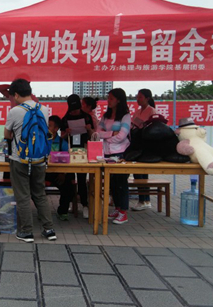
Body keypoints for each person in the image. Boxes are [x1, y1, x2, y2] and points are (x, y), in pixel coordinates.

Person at [4, 78, 56, 242]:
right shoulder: (44, 109)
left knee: (23, 196)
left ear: (16, 95)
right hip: (40, 159)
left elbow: (7, 135)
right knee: (39, 194)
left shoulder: (15, 111)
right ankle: (49, 230)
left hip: (19, 159)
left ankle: (26, 232)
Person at [98, 88, 131, 225]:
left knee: (121, 182)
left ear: (118, 100)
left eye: (111, 98)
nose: (108, 101)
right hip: (106, 152)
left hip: (120, 153)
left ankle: (124, 211)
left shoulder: (125, 116)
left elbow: (122, 135)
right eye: (108, 98)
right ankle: (117, 208)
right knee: (112, 183)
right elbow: (97, 132)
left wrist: (107, 137)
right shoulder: (106, 116)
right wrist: (111, 134)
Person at [61, 94, 94, 218]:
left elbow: (93, 136)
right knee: (69, 178)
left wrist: (89, 129)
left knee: (81, 178)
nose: (74, 112)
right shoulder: (66, 118)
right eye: (72, 110)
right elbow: (61, 137)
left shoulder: (86, 117)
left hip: (83, 151)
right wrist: (66, 133)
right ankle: (70, 202)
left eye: (76, 110)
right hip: (70, 151)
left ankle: (85, 205)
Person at [131, 88, 157, 211]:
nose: (138, 99)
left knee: (142, 172)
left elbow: (154, 126)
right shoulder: (137, 112)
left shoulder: (152, 111)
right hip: (137, 143)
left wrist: (142, 126)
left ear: (147, 98)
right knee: (137, 172)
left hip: (146, 144)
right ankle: (143, 199)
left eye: (140, 97)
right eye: (137, 97)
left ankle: (144, 200)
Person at [46, 115, 74, 221]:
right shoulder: (41, 141)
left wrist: (62, 173)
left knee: (68, 186)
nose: (46, 128)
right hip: (43, 172)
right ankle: (42, 211)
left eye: (49, 126)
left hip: (58, 173)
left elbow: (67, 161)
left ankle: (63, 211)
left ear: (56, 128)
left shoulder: (63, 143)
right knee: (32, 186)